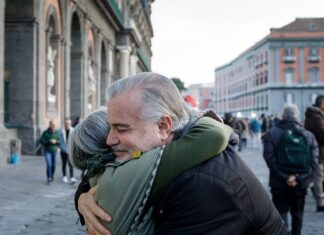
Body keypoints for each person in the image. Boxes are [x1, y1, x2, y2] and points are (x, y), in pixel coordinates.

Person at [75, 72, 288, 235]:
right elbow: (107, 167)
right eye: (110, 127)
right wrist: (83, 199)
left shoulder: (202, 184)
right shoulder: (147, 152)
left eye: (122, 128)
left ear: (163, 126)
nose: (109, 139)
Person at [69, 108, 232, 234]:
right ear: (111, 144)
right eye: (122, 129)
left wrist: (81, 198)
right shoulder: (141, 167)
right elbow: (214, 135)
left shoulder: (99, 174)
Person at [263, 104, 319, 235]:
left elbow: (269, 158)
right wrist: (299, 178)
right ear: (297, 115)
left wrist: (284, 177)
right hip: (300, 183)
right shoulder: (308, 135)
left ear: (283, 115)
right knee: (298, 214)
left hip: (279, 183)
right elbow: (314, 162)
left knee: (281, 214)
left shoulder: (272, 133)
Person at [305, 94, 324, 212]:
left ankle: (315, 189)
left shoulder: (314, 115)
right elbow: (322, 134)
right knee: (318, 175)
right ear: (321, 104)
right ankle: (320, 202)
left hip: (317, 150)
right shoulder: (316, 117)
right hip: (319, 151)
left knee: (317, 175)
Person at [39, 120, 60, 184]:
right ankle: (49, 177)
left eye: (54, 125)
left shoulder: (57, 133)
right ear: (50, 125)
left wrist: (56, 142)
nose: (53, 126)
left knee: (53, 165)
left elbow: (60, 141)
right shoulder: (45, 133)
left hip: (55, 151)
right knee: (49, 164)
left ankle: (51, 175)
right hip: (47, 151)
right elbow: (41, 141)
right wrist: (49, 141)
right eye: (52, 125)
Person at [58, 118, 77, 184]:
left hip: (70, 150)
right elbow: (59, 141)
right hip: (63, 150)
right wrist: (61, 147)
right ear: (64, 124)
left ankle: (72, 177)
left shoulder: (73, 130)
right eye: (66, 123)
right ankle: (64, 176)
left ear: (70, 123)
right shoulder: (61, 131)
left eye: (68, 123)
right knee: (64, 164)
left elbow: (75, 141)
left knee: (71, 164)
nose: (67, 124)